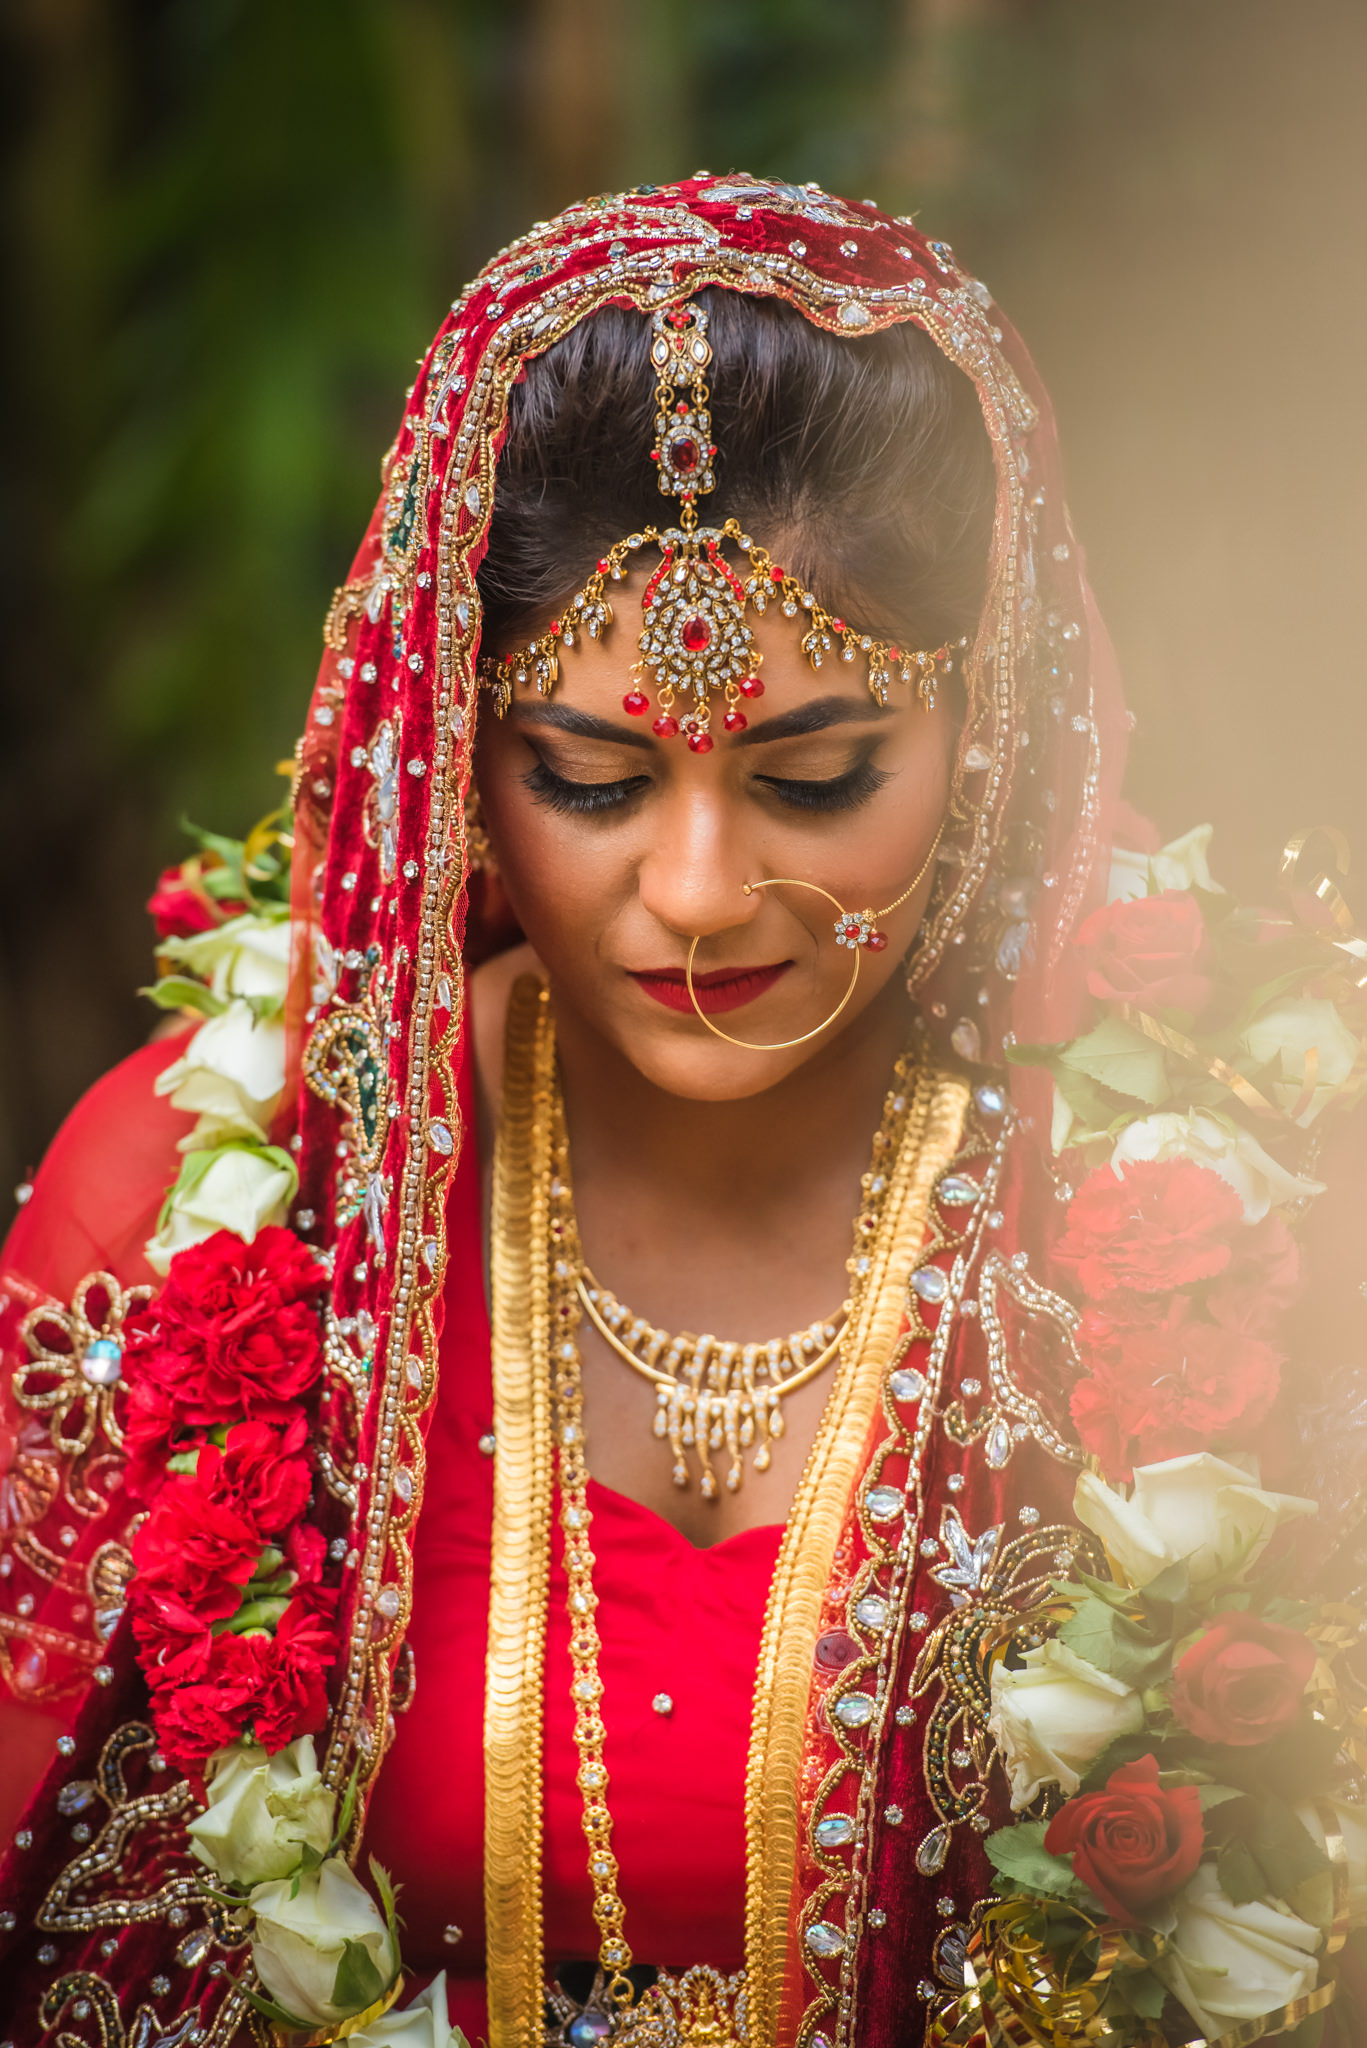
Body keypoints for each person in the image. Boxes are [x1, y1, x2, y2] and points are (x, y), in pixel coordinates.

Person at [1, 175, 1364, 2048]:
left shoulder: (1203, 1232)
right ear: (459, 748)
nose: (703, 889)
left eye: (816, 776)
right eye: (590, 777)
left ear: (994, 731)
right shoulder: (210, 1207)